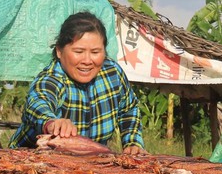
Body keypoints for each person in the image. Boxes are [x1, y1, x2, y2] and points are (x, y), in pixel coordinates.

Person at [8, 11, 145, 155]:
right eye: (79, 52)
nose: (87, 61)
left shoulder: (113, 73)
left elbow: (129, 109)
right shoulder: (52, 78)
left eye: (95, 52)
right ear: (59, 51)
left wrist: (132, 141)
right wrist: (52, 123)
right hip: (32, 160)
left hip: (91, 160)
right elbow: (38, 103)